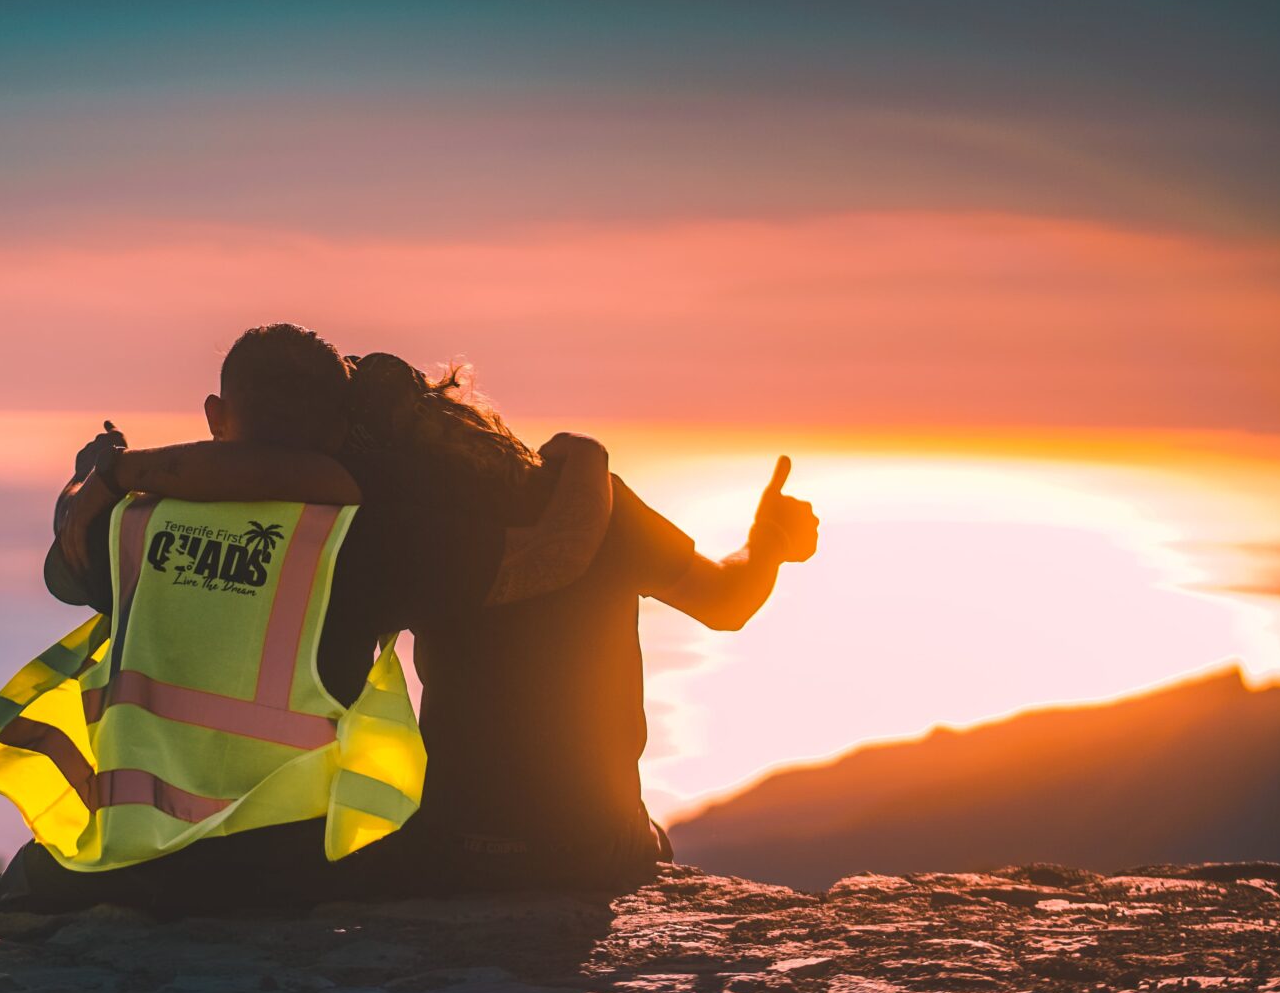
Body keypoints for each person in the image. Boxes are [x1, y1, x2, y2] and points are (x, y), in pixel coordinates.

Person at [72, 350, 819, 896]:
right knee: (648, 838)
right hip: (597, 848)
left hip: (455, 850)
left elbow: (262, 481)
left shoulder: (382, 530)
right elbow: (728, 602)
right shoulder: (590, 500)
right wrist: (770, 543)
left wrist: (112, 473)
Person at [0, 324, 616, 914]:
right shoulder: (369, 536)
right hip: (288, 875)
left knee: (16, 899)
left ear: (215, 415)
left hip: (131, 858)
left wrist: (98, 472)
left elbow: (64, 564)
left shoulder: (129, 522)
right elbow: (552, 559)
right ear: (336, 432)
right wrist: (588, 460)